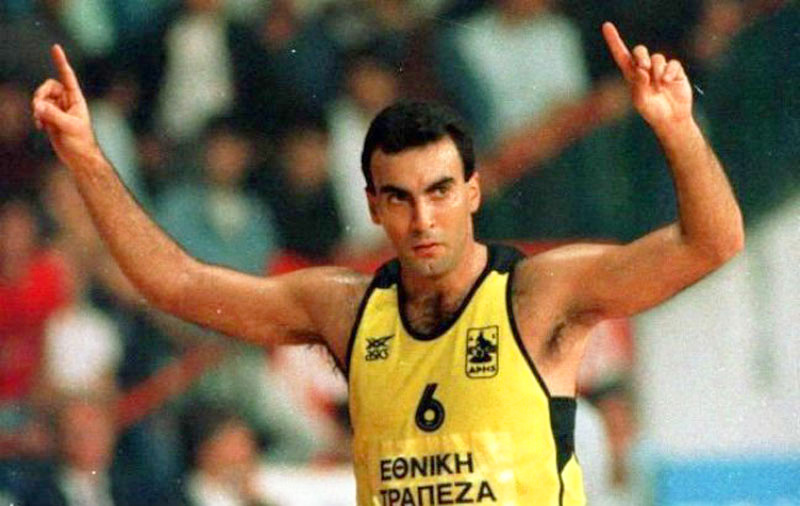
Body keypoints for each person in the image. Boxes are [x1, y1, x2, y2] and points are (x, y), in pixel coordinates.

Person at [32, 22, 744, 505]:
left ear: (472, 193)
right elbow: (175, 283)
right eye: (399, 198)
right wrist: (86, 156)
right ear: (373, 206)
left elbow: (711, 244)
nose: (422, 218)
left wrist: (677, 128)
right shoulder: (346, 309)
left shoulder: (539, 293)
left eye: (439, 192)